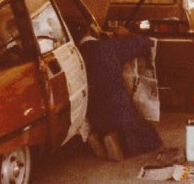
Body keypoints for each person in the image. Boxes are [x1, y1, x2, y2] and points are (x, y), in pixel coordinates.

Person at [67, 18, 163, 162]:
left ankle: (97, 136)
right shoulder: (109, 46)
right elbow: (145, 42)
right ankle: (114, 139)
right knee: (151, 137)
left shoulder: (75, 58)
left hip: (94, 116)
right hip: (119, 113)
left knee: (101, 119)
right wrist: (125, 34)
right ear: (89, 31)